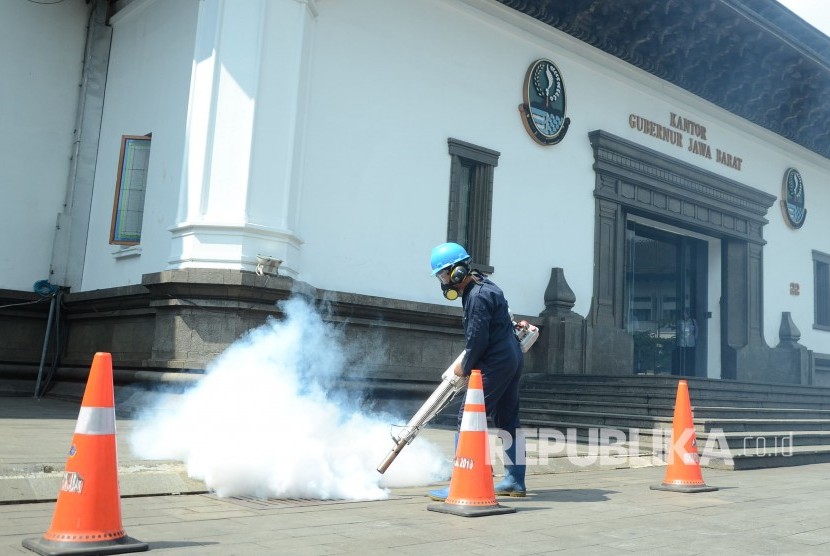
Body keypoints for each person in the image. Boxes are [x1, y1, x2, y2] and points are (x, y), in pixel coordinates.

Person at [426, 242, 526, 500]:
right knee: (508, 419)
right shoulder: (487, 286)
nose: (444, 281)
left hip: (496, 361)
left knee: (469, 419)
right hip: (511, 357)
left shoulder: (476, 296)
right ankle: (515, 481)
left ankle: (463, 482)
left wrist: (465, 366)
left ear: (458, 270)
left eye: (444, 274)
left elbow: (477, 339)